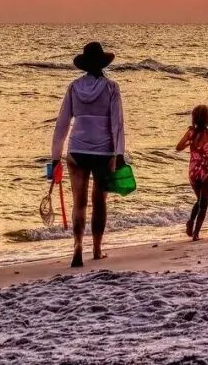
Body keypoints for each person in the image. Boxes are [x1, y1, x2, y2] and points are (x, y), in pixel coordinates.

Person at [51, 42, 125, 267]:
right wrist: (120, 153)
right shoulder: (111, 88)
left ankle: (77, 246)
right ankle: (97, 249)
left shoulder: (74, 87)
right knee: (99, 202)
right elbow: (117, 123)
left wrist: (55, 156)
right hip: (104, 150)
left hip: (77, 150)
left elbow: (62, 123)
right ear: (102, 64)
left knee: (79, 202)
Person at [175, 105, 208, 241]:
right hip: (206, 171)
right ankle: (196, 233)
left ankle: (190, 222)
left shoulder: (190, 133)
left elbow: (178, 147)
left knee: (199, 200)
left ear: (194, 118)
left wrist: (189, 143)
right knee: (203, 203)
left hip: (193, 171)